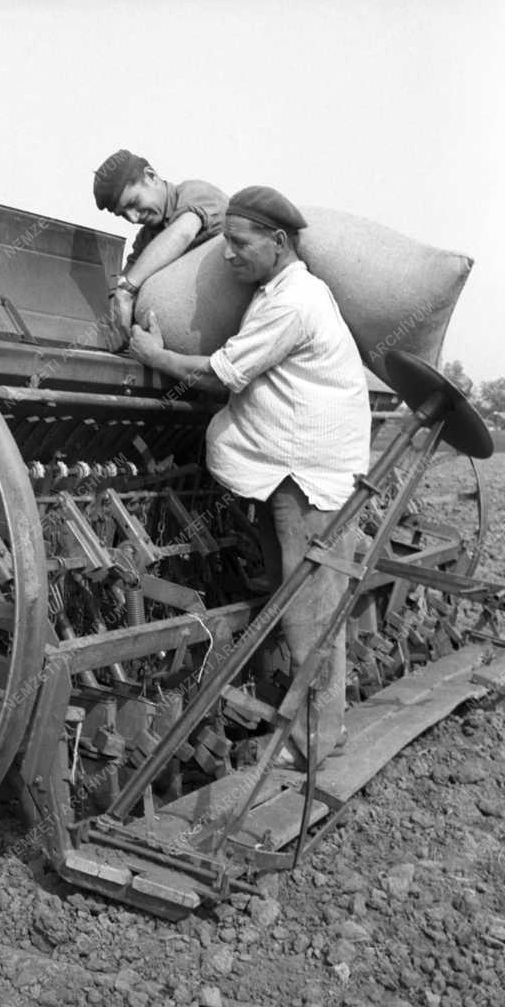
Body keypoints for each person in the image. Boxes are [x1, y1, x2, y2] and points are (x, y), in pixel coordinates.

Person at [128, 185, 371, 766]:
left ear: (279, 242)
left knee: (309, 605)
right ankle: (318, 726)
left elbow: (222, 374)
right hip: (297, 472)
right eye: (227, 243)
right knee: (307, 596)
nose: (230, 255)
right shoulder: (277, 292)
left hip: (309, 478)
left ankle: (311, 740)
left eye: (240, 244)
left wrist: (156, 355)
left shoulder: (294, 302)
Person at [93, 150, 228, 346]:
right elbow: (124, 278)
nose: (133, 218)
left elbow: (183, 233)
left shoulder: (194, 192)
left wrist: (127, 291)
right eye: (123, 214)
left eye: (134, 203)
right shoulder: (146, 237)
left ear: (151, 176)